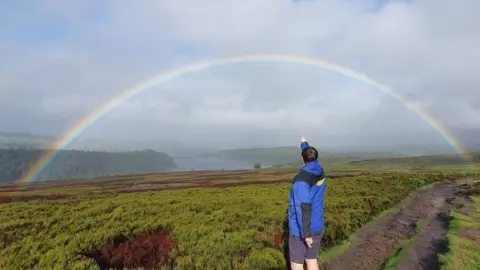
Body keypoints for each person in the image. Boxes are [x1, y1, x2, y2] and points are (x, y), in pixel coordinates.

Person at [287, 136, 326, 270]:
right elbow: (309, 154)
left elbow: (303, 207)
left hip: (302, 231)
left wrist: (306, 234)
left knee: (297, 264)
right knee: (311, 260)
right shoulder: (319, 169)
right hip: (317, 224)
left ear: (302, 159)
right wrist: (304, 143)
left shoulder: (300, 180)